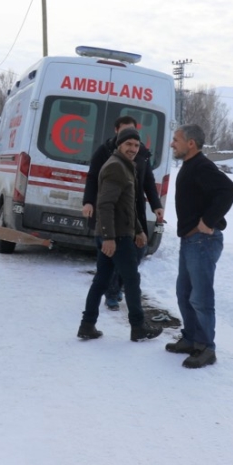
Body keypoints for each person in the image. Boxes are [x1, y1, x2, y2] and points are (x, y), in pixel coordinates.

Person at [77, 127, 163, 342]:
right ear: (119, 145)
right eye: (128, 144)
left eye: (136, 145)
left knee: (101, 280)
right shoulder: (116, 167)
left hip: (118, 233)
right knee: (131, 280)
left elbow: (127, 206)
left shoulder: (126, 166)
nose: (133, 149)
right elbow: (105, 204)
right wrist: (109, 237)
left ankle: (87, 325)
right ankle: (138, 327)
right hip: (116, 236)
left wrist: (139, 230)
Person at [167, 124, 233, 368]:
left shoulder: (202, 166)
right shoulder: (190, 165)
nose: (172, 144)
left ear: (191, 143)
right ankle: (191, 339)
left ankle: (206, 347)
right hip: (190, 241)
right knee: (184, 293)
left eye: (176, 139)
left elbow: (229, 190)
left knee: (200, 297)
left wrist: (208, 221)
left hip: (203, 241)